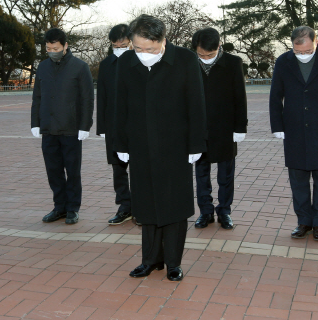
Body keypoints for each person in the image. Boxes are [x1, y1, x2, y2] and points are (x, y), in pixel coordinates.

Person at [114, 14, 206, 282]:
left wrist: (196, 143)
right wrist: (120, 143)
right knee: (146, 203)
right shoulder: (127, 63)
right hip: (140, 144)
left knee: (174, 204)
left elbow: (196, 104)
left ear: (163, 41)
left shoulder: (186, 60)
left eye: (150, 49)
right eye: (138, 48)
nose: (144, 54)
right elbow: (119, 106)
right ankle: (150, 260)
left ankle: (174, 263)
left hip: (176, 145)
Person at [269, 26, 318, 241]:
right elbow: (276, 95)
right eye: (298, 52)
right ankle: (303, 221)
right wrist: (277, 125)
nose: (302, 56)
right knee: (298, 179)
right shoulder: (283, 62)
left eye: (307, 51)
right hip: (294, 129)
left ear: (316, 42)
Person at [31, 28, 94, 225]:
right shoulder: (42, 67)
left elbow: (87, 98)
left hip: (71, 129)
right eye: (48, 48)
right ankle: (59, 207)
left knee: (72, 171)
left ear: (65, 46)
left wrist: (85, 125)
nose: (52, 51)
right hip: (49, 128)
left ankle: (73, 208)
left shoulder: (80, 67)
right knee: (53, 170)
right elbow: (37, 97)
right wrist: (35, 123)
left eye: (55, 48)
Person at [191, 28, 248, 230]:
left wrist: (240, 126)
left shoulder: (233, 63)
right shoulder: (190, 62)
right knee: (201, 174)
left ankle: (224, 211)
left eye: (210, 54)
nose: (205, 58)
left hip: (225, 128)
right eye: (201, 54)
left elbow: (240, 97)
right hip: (199, 129)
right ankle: (205, 211)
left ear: (219, 47)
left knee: (226, 175)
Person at [96, 23, 136, 225]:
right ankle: (125, 206)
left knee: (139, 168)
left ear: (130, 42)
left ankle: (141, 207)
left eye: (122, 44)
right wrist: (102, 128)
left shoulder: (139, 61)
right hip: (113, 125)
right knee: (118, 169)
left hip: (136, 124)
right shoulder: (106, 65)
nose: (118, 48)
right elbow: (101, 97)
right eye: (115, 45)